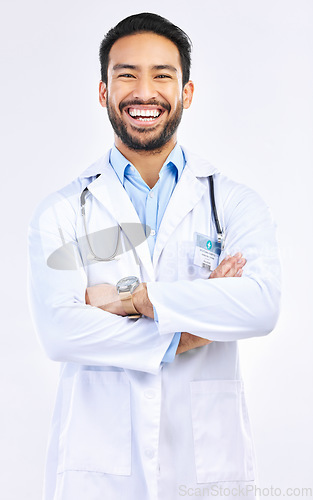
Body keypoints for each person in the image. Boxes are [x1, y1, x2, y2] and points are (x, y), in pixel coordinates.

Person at [27, 12, 281, 500]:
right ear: (103, 92)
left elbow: (261, 305)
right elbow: (60, 331)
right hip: (97, 472)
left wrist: (129, 299)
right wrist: (198, 316)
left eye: (162, 75)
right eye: (127, 74)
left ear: (186, 93)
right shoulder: (62, 210)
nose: (145, 92)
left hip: (207, 465)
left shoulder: (232, 202)